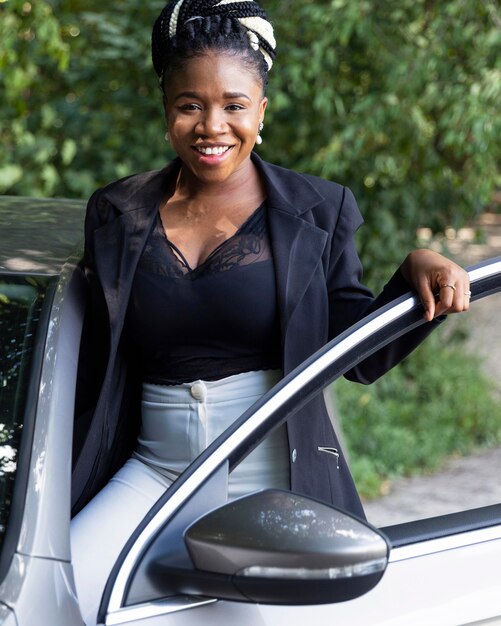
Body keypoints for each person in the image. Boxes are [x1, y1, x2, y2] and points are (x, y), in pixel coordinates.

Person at [70, 1, 471, 623]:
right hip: (151, 469)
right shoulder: (117, 212)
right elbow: (90, 359)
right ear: (166, 107)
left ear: (261, 109)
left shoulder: (318, 210)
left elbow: (354, 355)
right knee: (53, 594)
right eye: (189, 104)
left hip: (270, 476)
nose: (212, 125)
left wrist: (416, 271)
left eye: (234, 104)